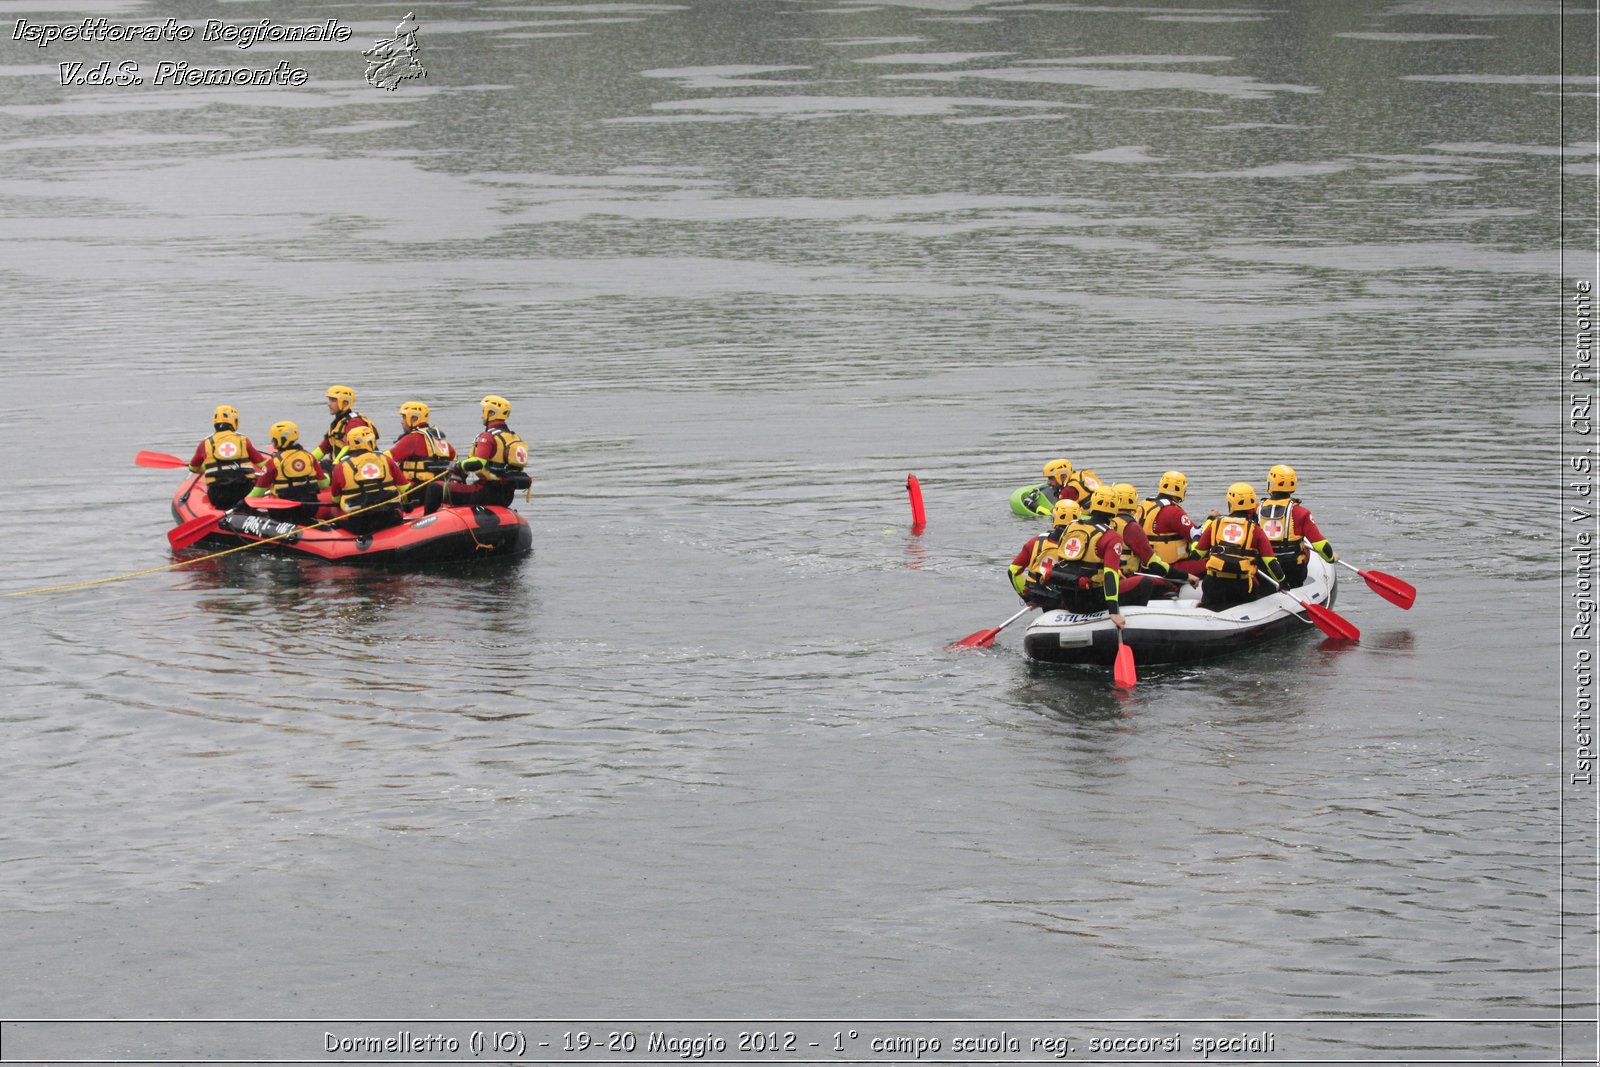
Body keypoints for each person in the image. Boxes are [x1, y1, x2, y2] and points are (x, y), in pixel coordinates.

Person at [424, 394, 530, 513]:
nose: (482, 415)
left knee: (434, 488)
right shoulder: (513, 437)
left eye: (484, 411)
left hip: (486, 493)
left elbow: (478, 463)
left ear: (491, 413)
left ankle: (424, 527)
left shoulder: (488, 437)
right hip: (506, 497)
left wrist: (457, 465)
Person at [1193, 482, 1286, 611]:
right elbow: (1271, 563)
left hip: (1213, 587)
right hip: (1241, 588)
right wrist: (1282, 581)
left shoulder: (1215, 525)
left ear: (1230, 503)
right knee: (1259, 586)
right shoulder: (1256, 530)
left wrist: (1196, 538)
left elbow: (1196, 555)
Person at [1043, 486, 1126, 628]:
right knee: (1144, 584)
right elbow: (1109, 575)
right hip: (1092, 600)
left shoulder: (1071, 526)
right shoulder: (1111, 537)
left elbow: (1064, 561)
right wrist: (1114, 611)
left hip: (1068, 599)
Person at [1257, 463, 1336, 588]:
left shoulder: (1256, 510)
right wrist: (1331, 558)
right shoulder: (1301, 513)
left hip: (1263, 568)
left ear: (1270, 484)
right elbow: (1320, 545)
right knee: (1304, 551)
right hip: (1292, 570)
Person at [1110, 483, 1189, 604]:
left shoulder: (1103, 522)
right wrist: (1185, 576)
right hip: (1124, 578)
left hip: (1106, 579)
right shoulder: (1131, 527)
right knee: (1167, 586)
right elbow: (1153, 563)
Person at [328, 424, 409, 536]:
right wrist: (407, 506)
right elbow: (405, 489)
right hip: (390, 518)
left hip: (360, 524)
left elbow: (335, 499)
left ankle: (336, 537)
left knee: (333, 511)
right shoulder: (386, 460)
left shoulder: (341, 467)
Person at [187, 405, 266, 511]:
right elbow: (262, 465)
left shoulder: (205, 443)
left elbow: (193, 468)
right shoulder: (243, 440)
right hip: (243, 492)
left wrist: (207, 467)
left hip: (219, 495)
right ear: (235, 422)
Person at [249, 420, 329, 524]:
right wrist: (328, 475)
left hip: (283, 512)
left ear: (281, 440)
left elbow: (258, 492)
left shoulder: (274, 462)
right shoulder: (310, 457)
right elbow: (323, 484)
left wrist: (242, 503)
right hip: (308, 509)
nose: (272, 442)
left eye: (274, 439)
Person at [1008, 498, 1080, 609]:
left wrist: (1026, 598)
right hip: (1073, 600)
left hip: (1043, 598)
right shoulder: (1084, 544)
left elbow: (1013, 571)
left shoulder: (1036, 542)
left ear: (1054, 518)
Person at [1137, 470, 1205, 578]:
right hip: (1170, 567)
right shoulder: (1174, 512)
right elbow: (1196, 535)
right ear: (1183, 490)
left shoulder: (1143, 506)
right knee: (1215, 562)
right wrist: (1211, 521)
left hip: (1146, 565)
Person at [385, 400, 456, 501]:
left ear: (414, 418)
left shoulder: (413, 438)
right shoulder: (438, 437)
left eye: (404, 417)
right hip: (441, 487)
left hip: (417, 490)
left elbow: (384, 460)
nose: (402, 421)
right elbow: (454, 456)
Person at [315, 385, 377, 467]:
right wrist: (306, 460)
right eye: (329, 400)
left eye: (333, 400)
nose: (328, 404)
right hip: (344, 465)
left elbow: (349, 447)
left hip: (358, 467)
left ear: (345, 403)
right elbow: (322, 449)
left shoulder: (355, 423)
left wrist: (334, 467)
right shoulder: (337, 423)